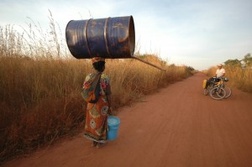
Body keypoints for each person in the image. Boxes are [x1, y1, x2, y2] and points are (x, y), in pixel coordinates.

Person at [82, 57, 112, 148]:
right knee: (101, 122)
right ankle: (99, 142)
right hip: (102, 103)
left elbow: (84, 90)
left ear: (93, 66)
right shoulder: (105, 78)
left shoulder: (88, 77)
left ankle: (93, 141)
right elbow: (108, 93)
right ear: (103, 67)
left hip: (91, 103)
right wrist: (110, 105)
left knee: (92, 121)